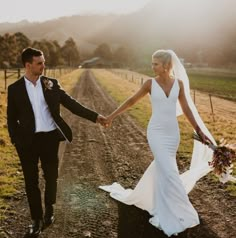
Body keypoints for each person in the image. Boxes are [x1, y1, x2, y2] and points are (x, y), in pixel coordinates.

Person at [100, 49, 215, 237]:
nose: (152, 66)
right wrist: (111, 116)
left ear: (166, 66)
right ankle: (179, 208)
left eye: (155, 63)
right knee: (169, 169)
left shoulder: (178, 84)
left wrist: (199, 130)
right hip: (156, 132)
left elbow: (186, 108)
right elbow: (131, 101)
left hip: (172, 134)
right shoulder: (149, 84)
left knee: (164, 167)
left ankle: (155, 199)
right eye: (152, 63)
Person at [7, 47, 105, 237]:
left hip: (50, 138)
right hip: (27, 142)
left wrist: (95, 117)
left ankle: (49, 210)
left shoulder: (51, 84)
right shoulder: (15, 89)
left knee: (51, 177)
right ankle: (36, 219)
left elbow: (71, 104)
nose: (44, 66)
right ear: (28, 65)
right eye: (39, 63)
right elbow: (11, 118)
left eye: (44, 62)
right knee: (30, 181)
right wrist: (15, 140)